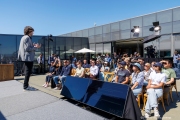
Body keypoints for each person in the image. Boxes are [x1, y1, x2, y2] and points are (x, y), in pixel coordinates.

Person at [17, 26, 41, 91]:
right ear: (29, 31)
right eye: (32, 31)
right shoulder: (27, 38)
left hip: (26, 57)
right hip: (28, 58)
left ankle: (26, 85)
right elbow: (27, 49)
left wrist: (33, 45)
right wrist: (36, 47)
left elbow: (27, 47)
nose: (33, 33)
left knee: (28, 72)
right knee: (28, 72)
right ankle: (26, 86)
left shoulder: (23, 37)